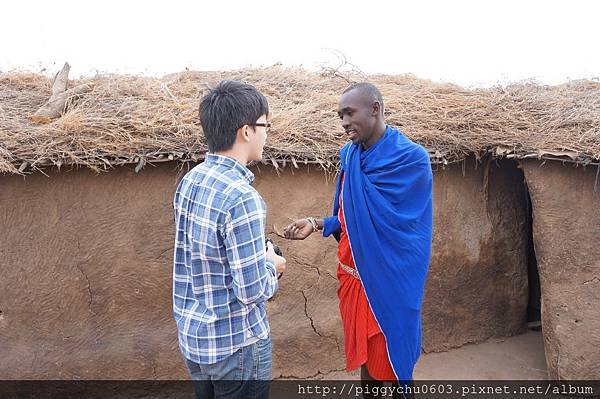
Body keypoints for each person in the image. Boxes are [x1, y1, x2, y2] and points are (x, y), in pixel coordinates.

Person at [284, 83, 433, 395]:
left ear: (375, 108)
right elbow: (350, 215)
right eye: (340, 116)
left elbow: (410, 230)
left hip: (392, 280)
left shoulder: (411, 159)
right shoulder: (350, 158)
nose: (344, 122)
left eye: (349, 113)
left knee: (389, 361)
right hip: (354, 279)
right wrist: (317, 222)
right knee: (367, 362)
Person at [173, 80, 286, 399]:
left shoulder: (190, 181)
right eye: (265, 124)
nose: (266, 133)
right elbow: (251, 290)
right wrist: (272, 266)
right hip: (237, 345)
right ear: (246, 131)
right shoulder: (242, 198)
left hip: (196, 342)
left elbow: (192, 262)